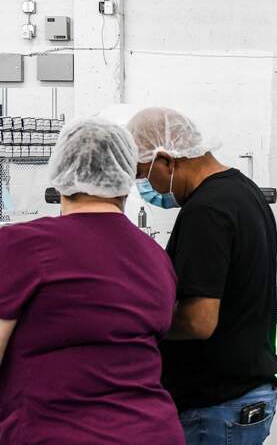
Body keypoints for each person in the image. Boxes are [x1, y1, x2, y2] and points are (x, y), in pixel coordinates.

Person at [0, 118, 184, 444]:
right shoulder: (155, 257)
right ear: (127, 179)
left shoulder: (21, 246)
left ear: (60, 174)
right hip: (154, 432)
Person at [128, 107, 277, 445]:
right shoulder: (243, 191)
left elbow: (198, 321)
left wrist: (134, 322)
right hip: (242, 394)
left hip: (215, 407)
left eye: (143, 173)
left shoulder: (206, 210)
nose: (145, 186)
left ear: (166, 160)